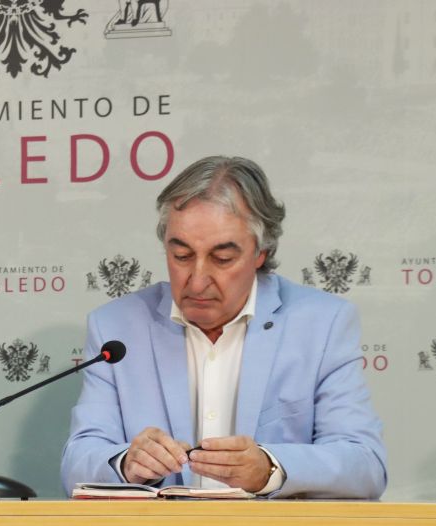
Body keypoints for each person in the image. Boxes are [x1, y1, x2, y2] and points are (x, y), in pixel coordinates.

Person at [60, 156, 387, 499]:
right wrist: (126, 462)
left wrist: (271, 469)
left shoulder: (321, 324)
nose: (197, 281)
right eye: (182, 256)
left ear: (261, 252)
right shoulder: (116, 326)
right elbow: (77, 463)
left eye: (222, 258)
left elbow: (365, 466)